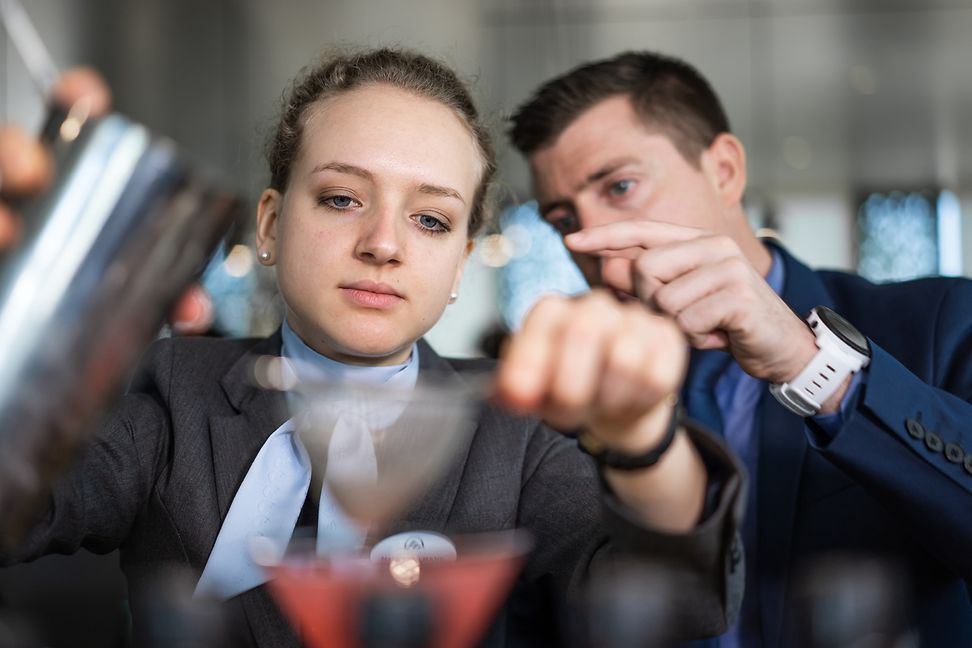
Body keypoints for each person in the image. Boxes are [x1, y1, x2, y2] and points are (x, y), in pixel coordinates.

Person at [1, 50, 745, 646]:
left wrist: (644, 441)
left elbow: (673, 606)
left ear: (459, 263)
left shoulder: (519, 423)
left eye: (430, 220)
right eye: (341, 198)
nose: (383, 244)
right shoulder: (169, 392)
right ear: (268, 224)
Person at [509, 50, 972, 647]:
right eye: (563, 218)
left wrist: (813, 367)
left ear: (724, 170)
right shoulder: (571, 405)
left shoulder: (937, 323)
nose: (592, 242)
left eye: (620, 186)